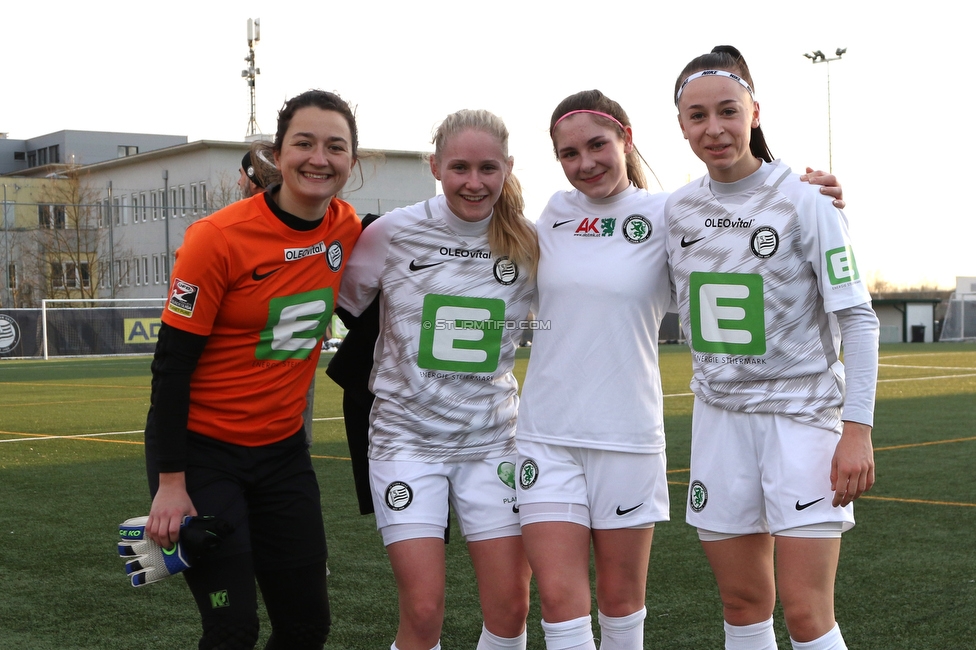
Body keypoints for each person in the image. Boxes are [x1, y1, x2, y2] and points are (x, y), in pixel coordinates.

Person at [515, 90, 848, 650]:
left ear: (626, 139)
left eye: (598, 144)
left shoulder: (671, 214)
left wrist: (822, 200)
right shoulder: (550, 215)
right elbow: (483, 239)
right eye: (569, 153)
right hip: (546, 433)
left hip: (630, 434)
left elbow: (748, 221)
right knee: (558, 604)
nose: (586, 162)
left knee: (622, 604)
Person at [668, 46, 878, 650]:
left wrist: (856, 429)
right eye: (697, 116)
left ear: (754, 111)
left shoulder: (807, 200)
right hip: (718, 427)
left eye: (728, 112)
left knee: (808, 614)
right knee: (742, 606)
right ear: (681, 126)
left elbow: (859, 322)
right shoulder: (675, 210)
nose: (715, 129)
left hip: (803, 424)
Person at [143, 89, 362, 650]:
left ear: (352, 161)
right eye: (304, 143)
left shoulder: (346, 228)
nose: (319, 158)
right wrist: (170, 484)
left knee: (307, 626)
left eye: (335, 146)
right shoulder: (216, 239)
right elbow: (170, 367)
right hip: (204, 457)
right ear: (277, 153)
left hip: (284, 456)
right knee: (231, 628)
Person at [337, 108, 537, 650]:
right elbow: (348, 303)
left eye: (488, 169)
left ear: (508, 168)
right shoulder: (392, 232)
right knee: (423, 611)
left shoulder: (530, 243)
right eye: (460, 168)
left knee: (511, 610)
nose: (474, 183)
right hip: (405, 442)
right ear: (435, 166)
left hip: (492, 442)